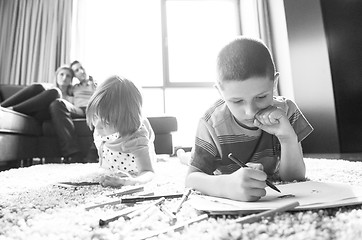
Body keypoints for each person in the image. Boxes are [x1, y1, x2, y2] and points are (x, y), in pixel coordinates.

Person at [185, 36, 313, 202]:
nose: (250, 111)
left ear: (274, 84)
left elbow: (294, 178)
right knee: (191, 160)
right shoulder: (210, 123)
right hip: (226, 175)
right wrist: (225, 186)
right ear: (220, 92)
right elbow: (191, 179)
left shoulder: (286, 112)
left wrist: (287, 138)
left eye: (261, 97)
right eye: (237, 101)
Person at [86, 75, 156, 187]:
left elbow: (148, 172)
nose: (97, 126)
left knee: (144, 158)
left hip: (134, 164)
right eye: (95, 116)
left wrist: (131, 181)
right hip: (113, 164)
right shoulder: (100, 130)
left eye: (106, 122)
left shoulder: (137, 138)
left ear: (125, 120)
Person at [49, 60, 97, 163]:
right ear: (74, 76)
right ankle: (73, 153)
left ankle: (93, 153)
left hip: (95, 109)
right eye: (77, 70)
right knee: (58, 103)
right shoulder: (73, 88)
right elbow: (61, 89)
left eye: (82, 68)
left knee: (103, 111)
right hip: (79, 110)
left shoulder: (96, 84)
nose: (81, 71)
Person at [0, 65, 73, 122]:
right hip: (29, 108)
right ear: (56, 76)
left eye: (68, 76)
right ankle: (2, 107)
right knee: (38, 87)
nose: (64, 78)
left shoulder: (71, 97)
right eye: (61, 74)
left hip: (42, 113)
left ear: (71, 80)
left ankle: (11, 110)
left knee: (55, 92)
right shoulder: (48, 88)